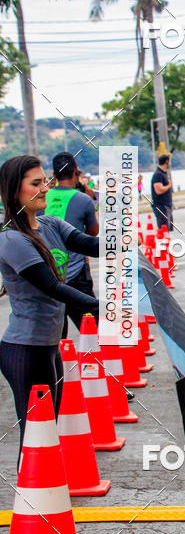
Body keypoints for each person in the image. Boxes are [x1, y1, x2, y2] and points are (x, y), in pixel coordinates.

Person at [0, 155, 100, 456]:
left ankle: (43, 498)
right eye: (35, 183)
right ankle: (32, 499)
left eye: (45, 180)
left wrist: (122, 236)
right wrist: (101, 307)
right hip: (25, 349)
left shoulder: (50, 224)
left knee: (47, 430)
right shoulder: (11, 239)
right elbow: (53, 287)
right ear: (15, 191)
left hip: (49, 345)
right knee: (35, 434)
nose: (45, 188)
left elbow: (90, 245)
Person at [44, 152, 99, 339]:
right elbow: (93, 233)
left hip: (49, 276)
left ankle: (63, 367)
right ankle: (103, 366)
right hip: (76, 274)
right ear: (76, 171)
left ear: (54, 174)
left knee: (58, 339)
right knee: (94, 328)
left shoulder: (42, 199)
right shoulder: (83, 199)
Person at [151, 153, 173, 231]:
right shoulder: (158, 174)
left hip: (166, 206)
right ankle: (163, 243)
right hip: (161, 206)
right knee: (163, 230)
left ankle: (167, 242)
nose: (170, 163)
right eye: (170, 161)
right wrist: (169, 185)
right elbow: (158, 190)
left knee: (167, 230)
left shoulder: (164, 173)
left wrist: (170, 205)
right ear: (166, 161)